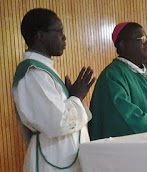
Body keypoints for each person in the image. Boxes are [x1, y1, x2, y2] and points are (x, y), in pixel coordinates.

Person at [12, 8, 95, 172]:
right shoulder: (33, 73)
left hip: (61, 156)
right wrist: (76, 98)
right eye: (58, 31)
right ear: (40, 36)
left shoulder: (44, 71)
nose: (64, 37)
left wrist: (71, 98)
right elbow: (56, 123)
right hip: (51, 160)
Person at [89, 22, 147, 140]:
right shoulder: (112, 75)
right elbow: (120, 111)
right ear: (123, 44)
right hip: (130, 148)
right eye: (142, 40)